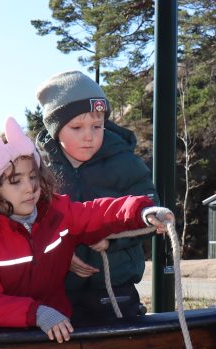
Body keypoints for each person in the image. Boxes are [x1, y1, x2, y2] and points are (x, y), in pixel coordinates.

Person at [0, 117, 171, 343]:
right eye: (15, 181)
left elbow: (97, 212)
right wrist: (37, 313)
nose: (30, 188)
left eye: (33, 176)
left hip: (55, 330)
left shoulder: (55, 213)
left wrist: (141, 211)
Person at [35, 70, 159, 323]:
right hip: (58, 290)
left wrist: (112, 241)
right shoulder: (39, 170)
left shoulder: (125, 162)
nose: (89, 135)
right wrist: (60, 254)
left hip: (116, 288)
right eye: (77, 127)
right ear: (55, 129)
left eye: (97, 126)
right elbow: (29, 224)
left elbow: (152, 214)